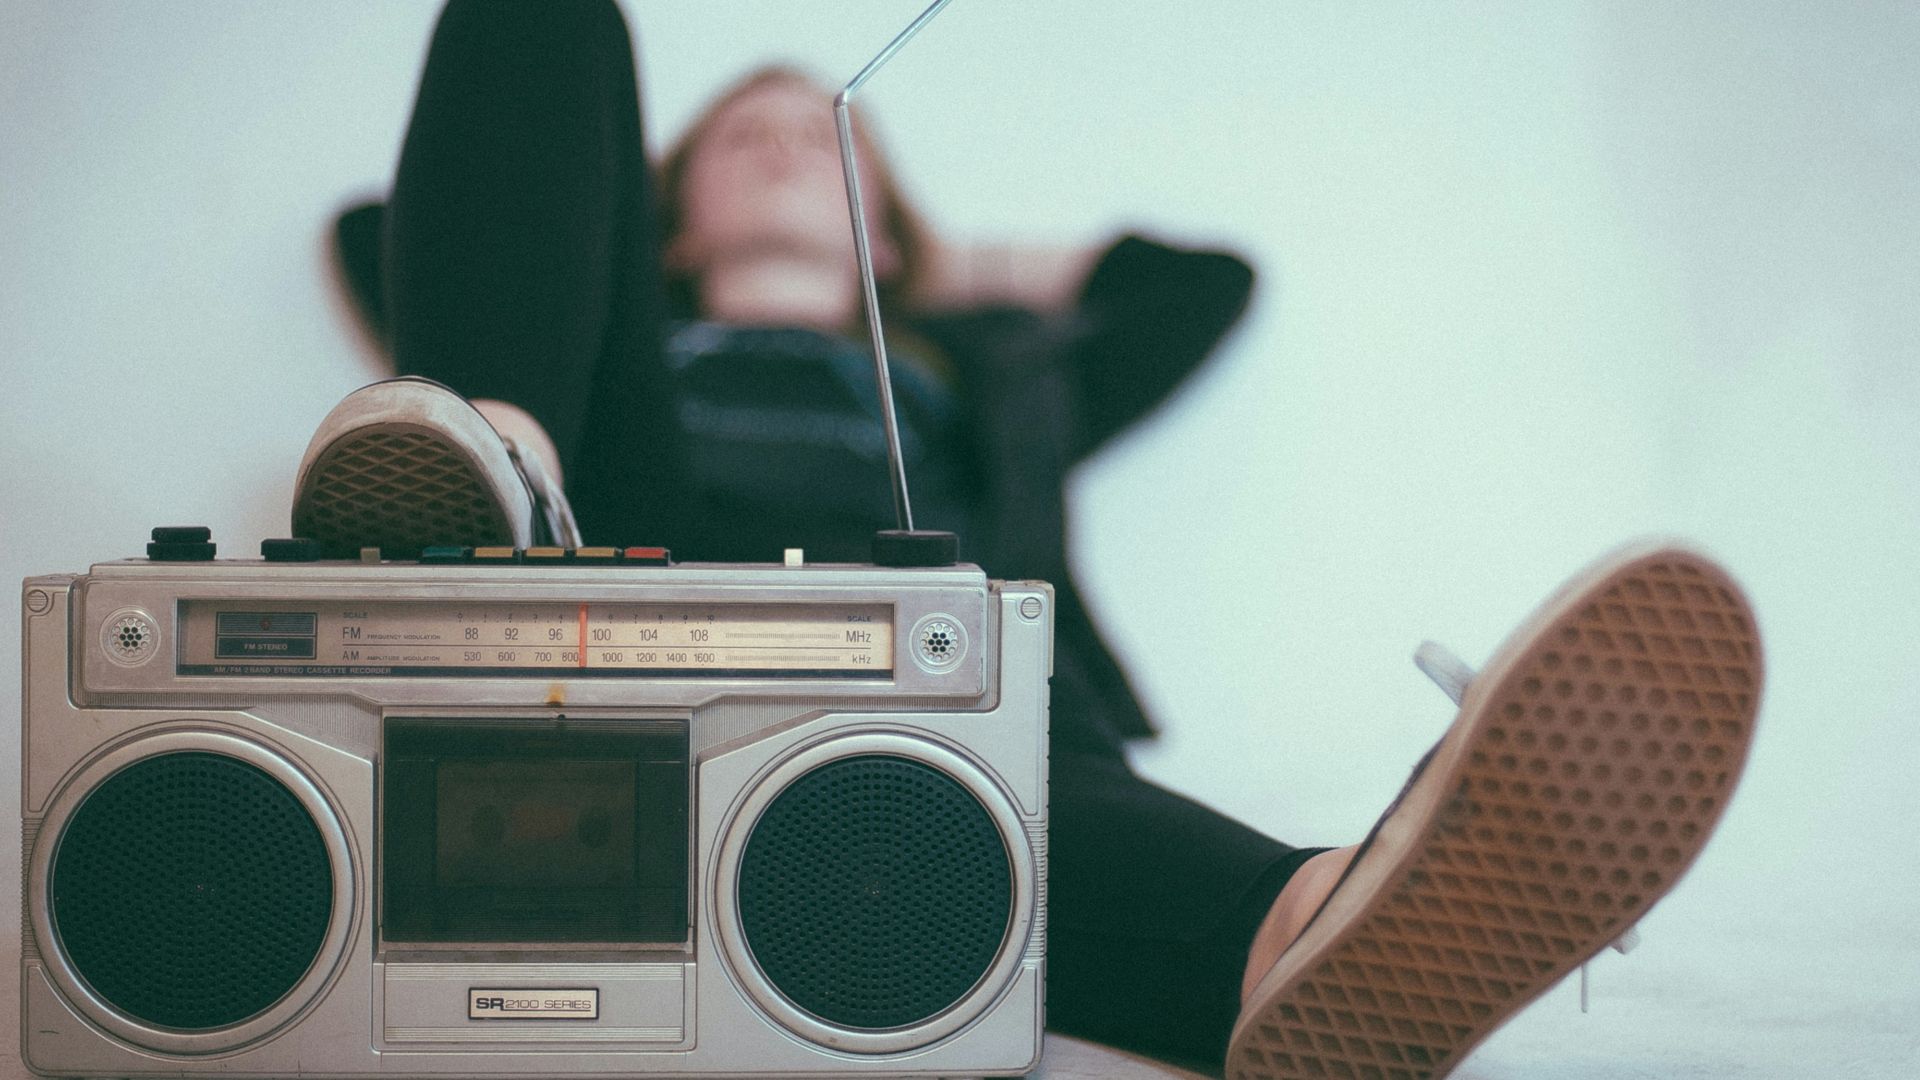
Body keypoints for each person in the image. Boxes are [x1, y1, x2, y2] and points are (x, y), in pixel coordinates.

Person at [303, 3, 1765, 1076]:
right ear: (667, 216)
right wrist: (596, 282)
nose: (777, 145)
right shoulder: (623, 340)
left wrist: (938, 259)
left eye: (821, 143)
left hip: (942, 679)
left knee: (1031, 769)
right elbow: (401, 225)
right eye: (739, 141)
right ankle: (497, 463)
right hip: (629, 593)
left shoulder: (994, 368)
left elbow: (1203, 286)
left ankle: (1326, 923)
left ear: (887, 233)